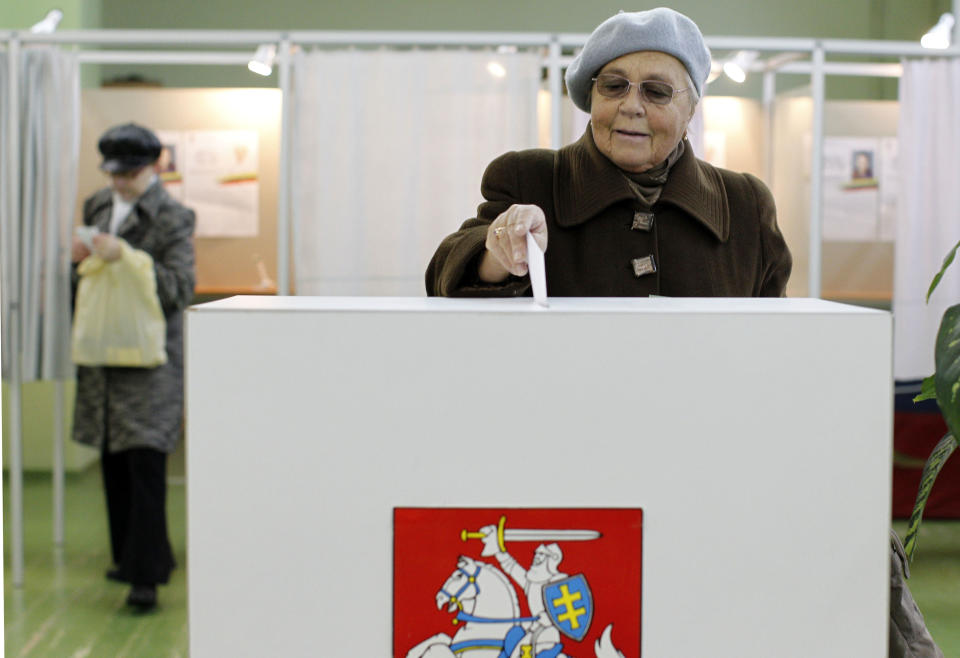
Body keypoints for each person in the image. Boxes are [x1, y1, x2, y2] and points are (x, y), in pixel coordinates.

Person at [426, 7, 792, 298]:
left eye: (657, 91)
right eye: (614, 86)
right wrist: (498, 253)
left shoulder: (745, 204)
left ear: (691, 110)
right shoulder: (530, 179)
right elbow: (442, 276)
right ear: (592, 99)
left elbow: (777, 339)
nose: (631, 106)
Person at [71, 123, 196, 610]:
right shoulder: (98, 207)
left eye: (129, 174)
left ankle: (147, 575)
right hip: (105, 358)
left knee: (145, 464)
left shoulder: (173, 217)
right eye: (113, 174)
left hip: (149, 364)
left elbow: (177, 287)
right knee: (114, 463)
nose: (119, 183)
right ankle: (129, 557)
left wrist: (126, 257)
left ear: (152, 167)